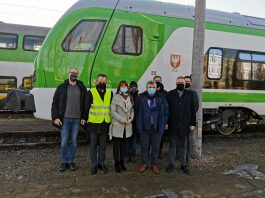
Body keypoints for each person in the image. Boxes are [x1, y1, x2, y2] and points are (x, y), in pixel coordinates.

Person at [51, 68, 87, 172]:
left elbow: (85, 104)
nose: (74, 74)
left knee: (74, 142)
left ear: (78, 75)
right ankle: (64, 161)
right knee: (64, 141)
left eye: (75, 73)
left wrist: (84, 117)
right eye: (72, 73)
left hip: (77, 119)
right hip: (65, 119)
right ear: (68, 74)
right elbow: (55, 103)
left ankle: (71, 162)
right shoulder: (61, 87)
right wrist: (55, 117)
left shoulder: (82, 88)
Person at [136, 81, 168, 175]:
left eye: (153, 87)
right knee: (144, 146)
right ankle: (144, 163)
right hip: (145, 127)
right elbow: (137, 112)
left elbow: (166, 111)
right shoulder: (141, 97)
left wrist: (164, 123)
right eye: (150, 87)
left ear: (156, 88)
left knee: (155, 147)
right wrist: (139, 125)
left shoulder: (161, 97)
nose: (151, 88)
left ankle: (154, 164)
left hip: (157, 127)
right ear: (146, 88)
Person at [166, 76, 196, 175]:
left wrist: (192, 123)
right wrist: (166, 122)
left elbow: (193, 110)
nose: (180, 84)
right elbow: (166, 110)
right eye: (178, 82)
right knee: (172, 146)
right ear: (175, 83)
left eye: (181, 82)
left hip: (185, 125)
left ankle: (183, 165)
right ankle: (170, 164)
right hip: (173, 124)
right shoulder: (170, 94)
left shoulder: (190, 94)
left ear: (185, 83)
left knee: (183, 146)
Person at [85, 74, 113, 175]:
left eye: (104, 81)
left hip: (105, 124)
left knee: (103, 146)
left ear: (106, 82)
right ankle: (94, 165)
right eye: (100, 81)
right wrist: (84, 119)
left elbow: (111, 108)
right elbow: (86, 107)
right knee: (93, 146)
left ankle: (101, 163)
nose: (102, 83)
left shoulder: (110, 93)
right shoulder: (91, 92)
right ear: (96, 82)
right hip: (93, 124)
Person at [109, 81, 134, 173]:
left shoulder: (130, 97)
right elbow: (113, 112)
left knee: (124, 146)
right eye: (122, 86)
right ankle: (117, 163)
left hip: (127, 126)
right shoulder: (116, 97)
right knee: (116, 146)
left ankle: (122, 162)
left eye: (125, 86)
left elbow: (132, 110)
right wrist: (123, 120)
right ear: (119, 87)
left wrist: (131, 118)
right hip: (118, 125)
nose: (124, 87)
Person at [184, 75, 199, 164]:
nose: (186, 83)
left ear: (191, 82)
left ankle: (188, 157)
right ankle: (180, 155)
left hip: (189, 120)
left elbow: (196, 107)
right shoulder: (178, 92)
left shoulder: (194, 93)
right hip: (179, 121)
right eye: (185, 81)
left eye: (188, 81)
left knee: (189, 139)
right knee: (179, 139)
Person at [153, 76, 168, 159]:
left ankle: (159, 153)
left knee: (160, 138)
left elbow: (167, 108)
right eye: (156, 81)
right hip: (151, 120)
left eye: (159, 81)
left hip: (160, 121)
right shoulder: (149, 92)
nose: (158, 82)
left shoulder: (165, 93)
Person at [126, 81, 139, 162]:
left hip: (136, 122)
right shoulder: (126, 97)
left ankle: (133, 155)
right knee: (127, 140)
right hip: (128, 122)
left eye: (135, 87)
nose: (133, 88)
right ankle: (127, 156)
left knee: (134, 140)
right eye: (132, 87)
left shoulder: (139, 97)